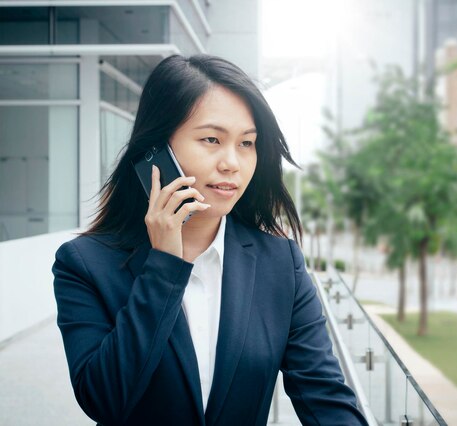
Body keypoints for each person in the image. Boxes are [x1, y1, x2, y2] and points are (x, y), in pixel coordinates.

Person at [52, 54, 368, 426]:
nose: (232, 162)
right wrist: (164, 267)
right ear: (156, 150)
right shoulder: (84, 263)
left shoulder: (280, 262)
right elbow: (104, 399)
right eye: (211, 139)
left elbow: (324, 396)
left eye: (247, 143)